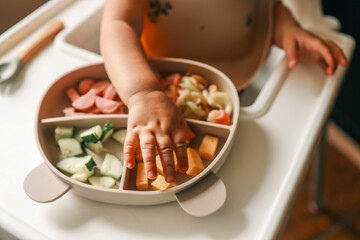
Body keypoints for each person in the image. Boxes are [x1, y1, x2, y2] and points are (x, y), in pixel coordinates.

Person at [100, 0, 348, 183]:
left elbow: (269, 9)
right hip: (158, 86)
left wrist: (288, 31)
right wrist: (142, 93)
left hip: (234, 76)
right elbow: (117, 24)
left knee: (236, 157)